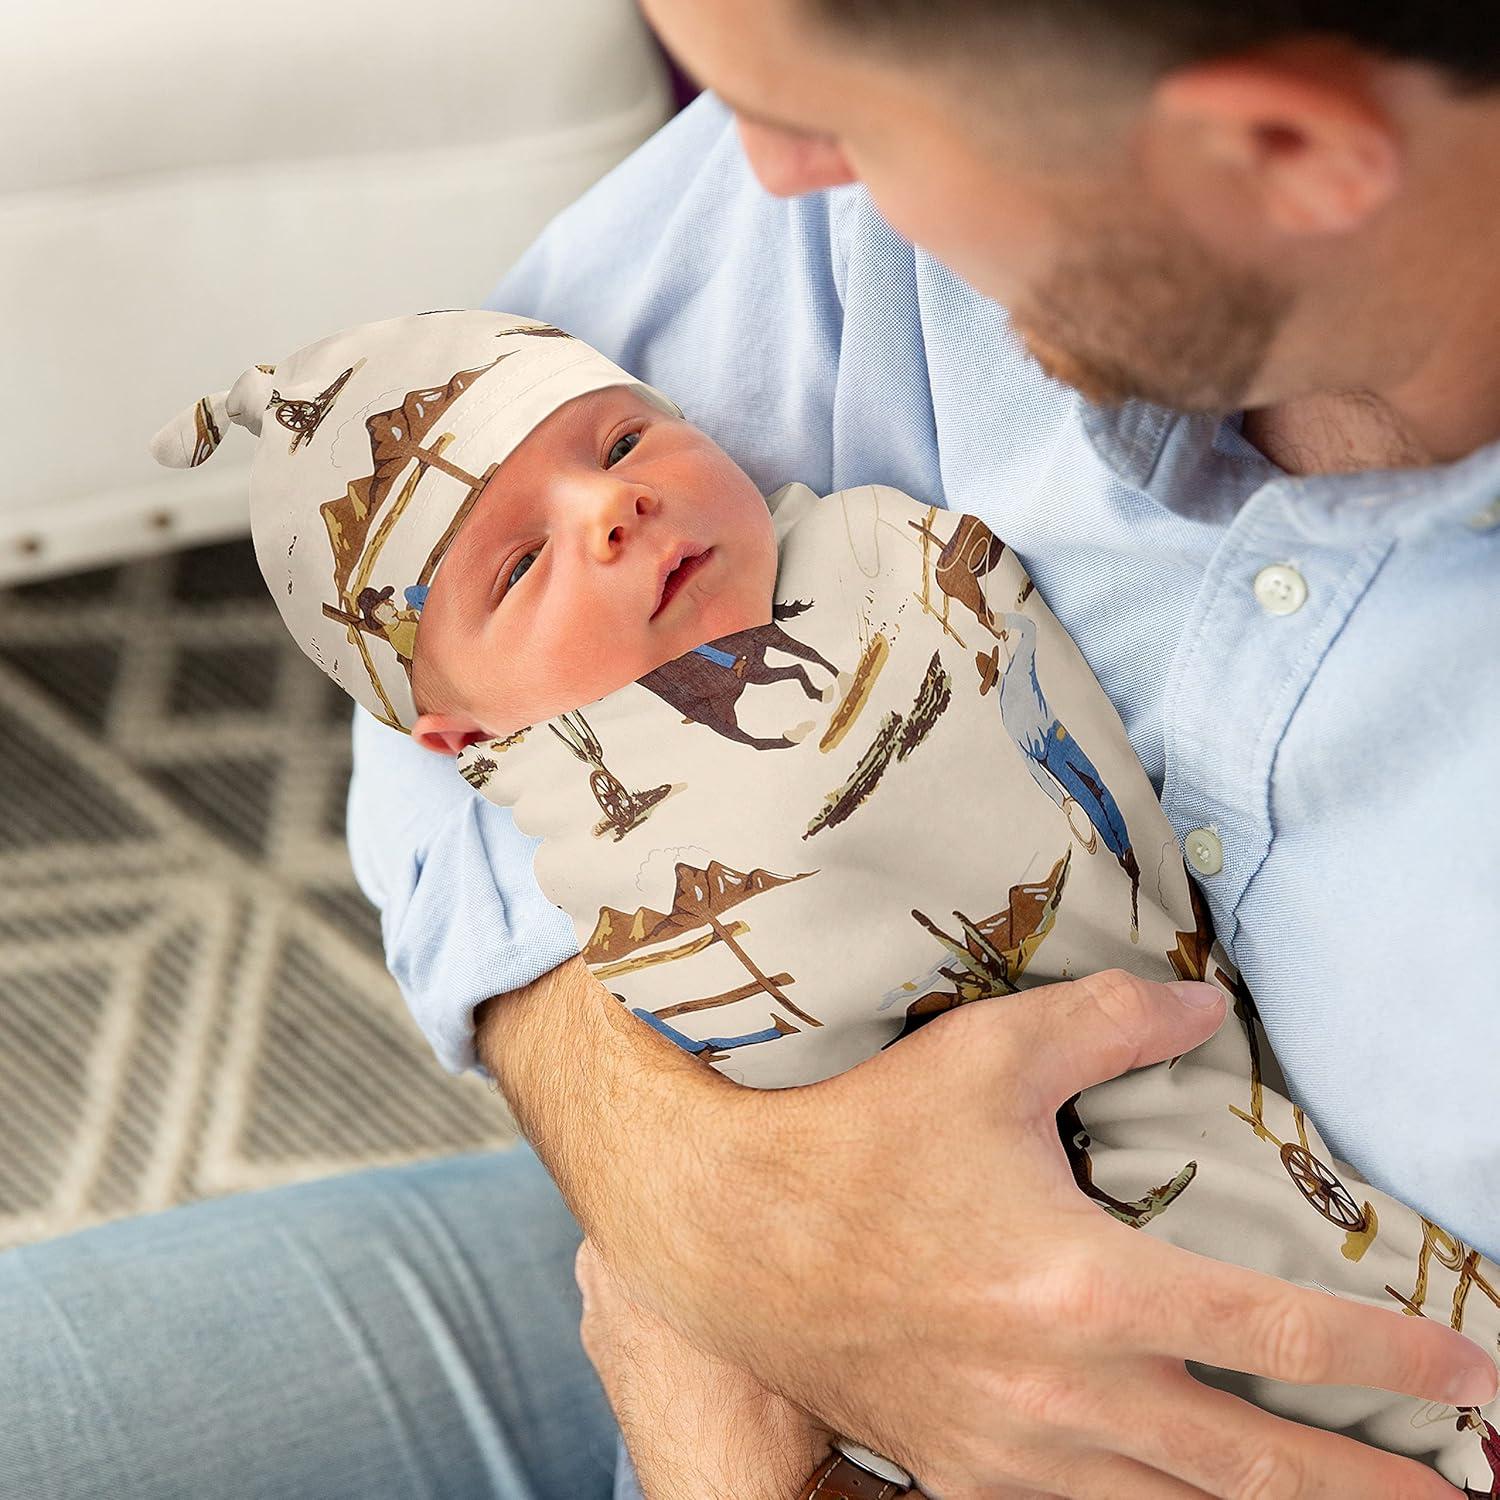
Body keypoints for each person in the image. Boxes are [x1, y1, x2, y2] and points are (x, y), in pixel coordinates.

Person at [2, 5, 1497, 1498]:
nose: (763, 169)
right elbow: (415, 661)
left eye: (842, 122)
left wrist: (718, 1463)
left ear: (1281, 157)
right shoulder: (914, 118)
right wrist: (707, 1211)